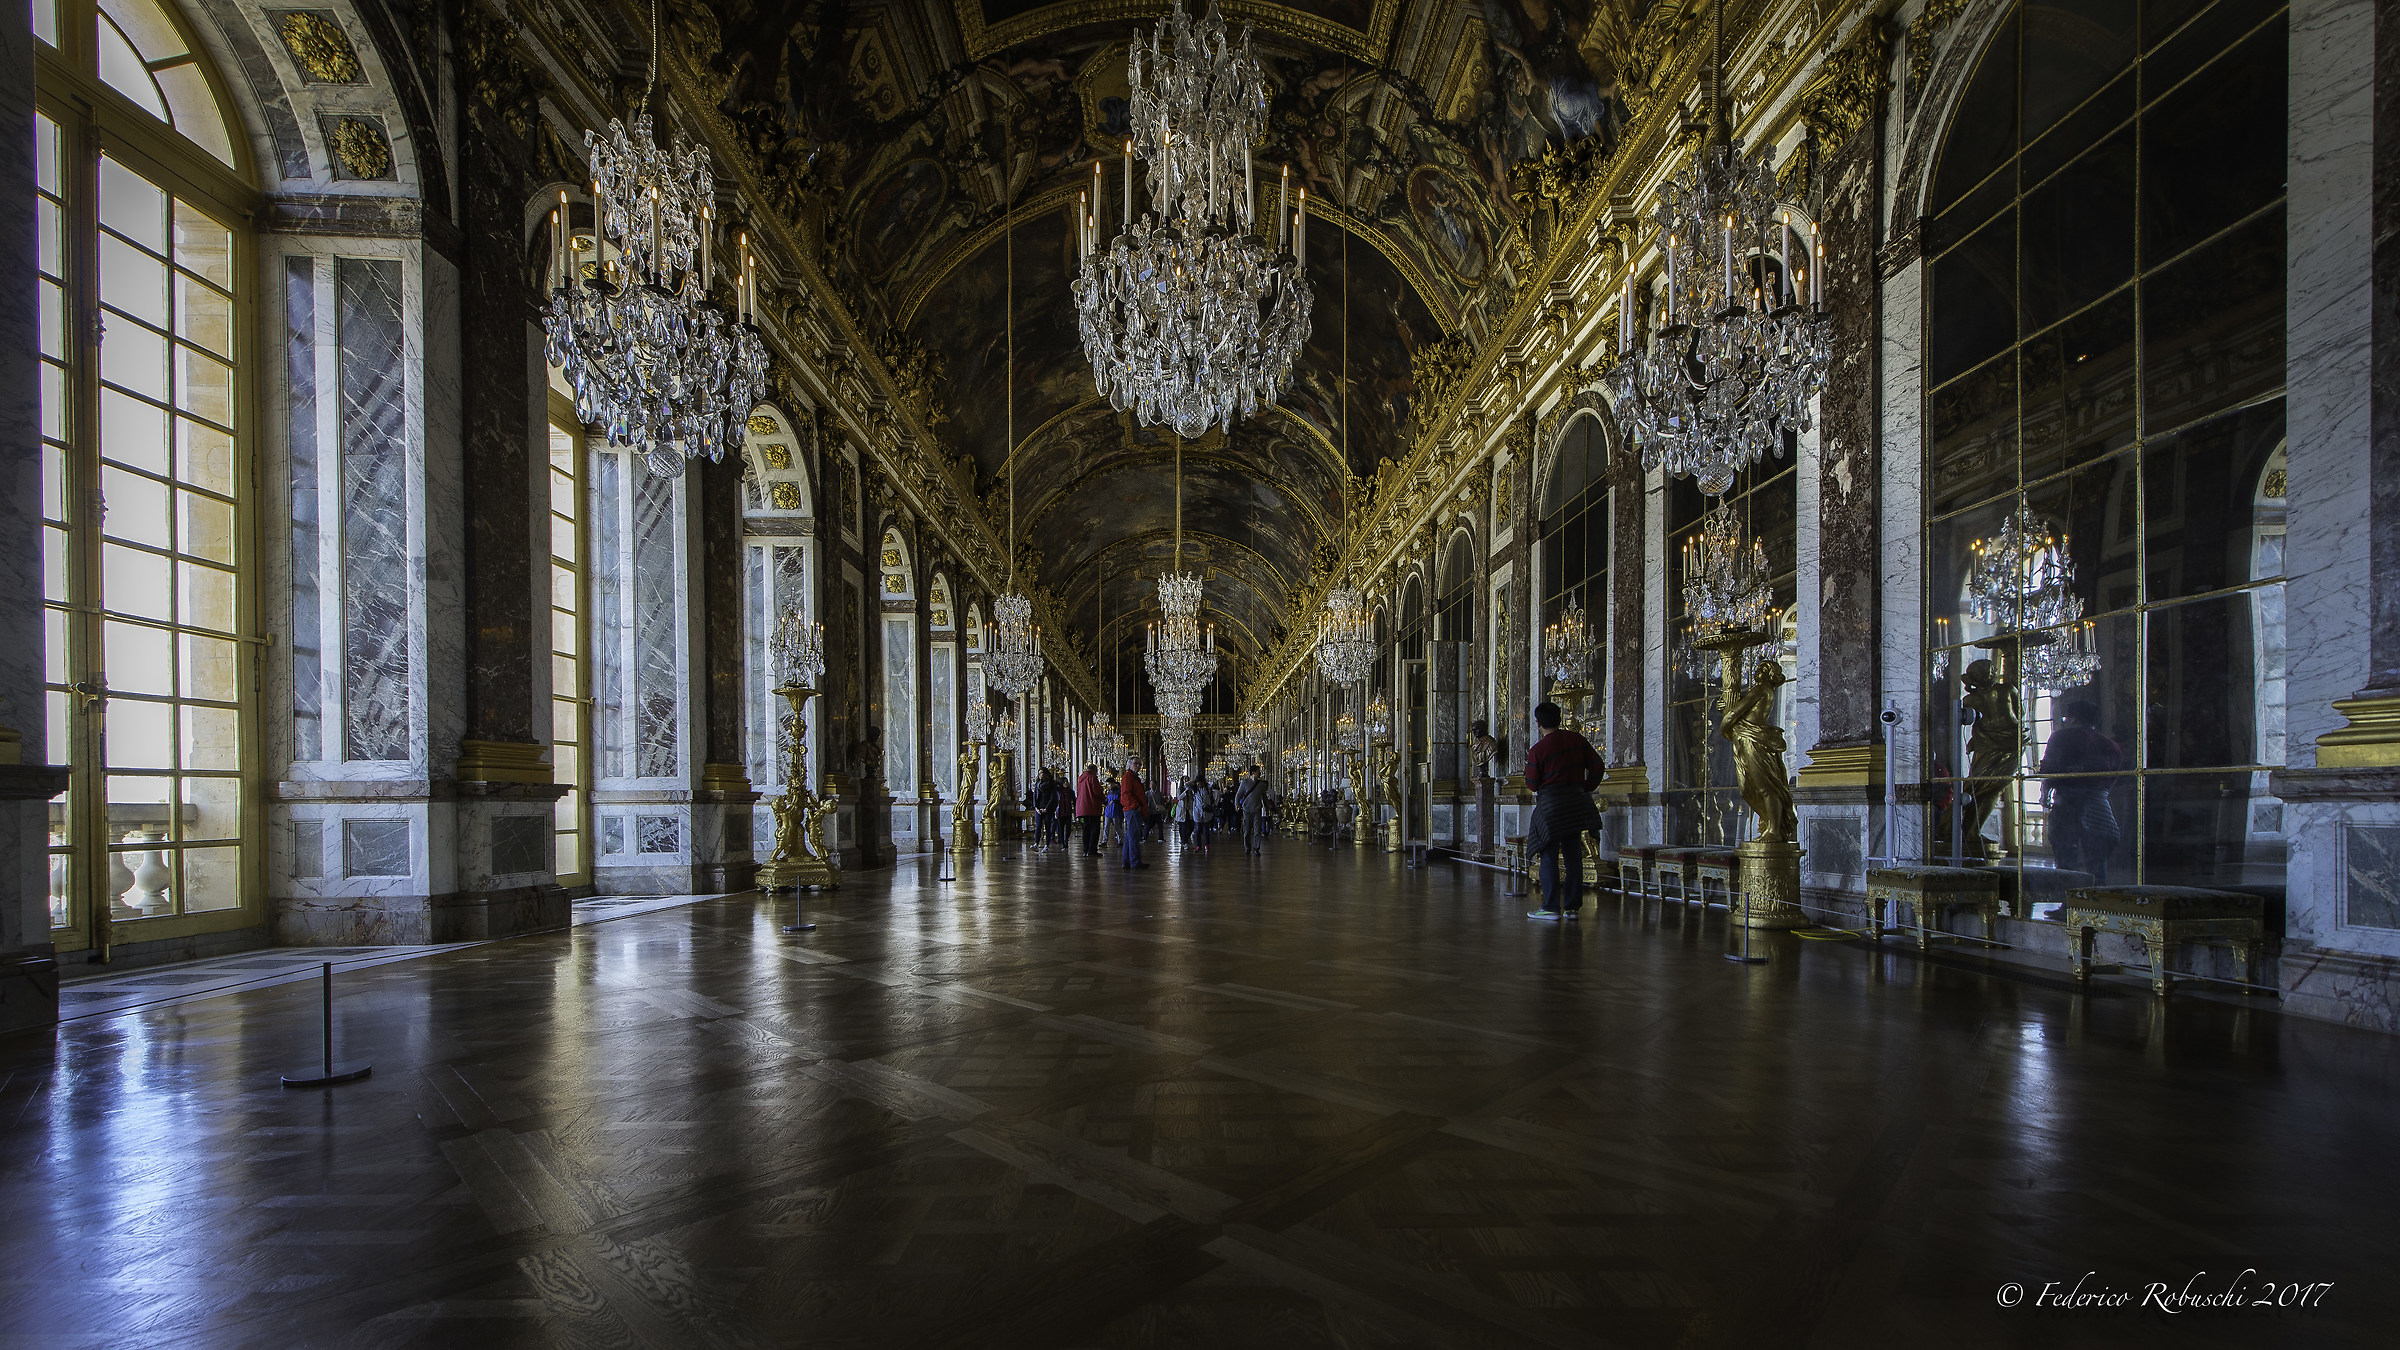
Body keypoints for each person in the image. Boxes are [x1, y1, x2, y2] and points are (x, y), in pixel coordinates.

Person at [1522, 700, 1604, 921]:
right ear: (1559, 718)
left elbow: (1531, 783)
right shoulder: (1577, 740)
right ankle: (1572, 908)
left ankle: (1550, 907)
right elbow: (1598, 767)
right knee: (1573, 855)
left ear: (1538, 723)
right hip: (1576, 802)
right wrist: (1586, 787)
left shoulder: (1538, 750)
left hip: (1551, 805)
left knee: (1548, 855)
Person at [2040, 699, 2122, 881]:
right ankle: (2097, 903)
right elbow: (2112, 779)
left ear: (2073, 718)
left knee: (2065, 858)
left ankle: (2067, 904)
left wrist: (2044, 793)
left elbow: (2049, 770)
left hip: (2067, 804)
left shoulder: (2061, 737)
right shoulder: (2111, 745)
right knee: (2097, 861)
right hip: (2099, 806)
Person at [1119, 763, 1150, 869]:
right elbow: (1126, 793)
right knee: (1134, 836)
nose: (1138, 766)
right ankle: (1135, 861)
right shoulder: (1128, 776)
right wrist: (1136, 805)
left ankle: (1126, 861)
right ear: (1129, 765)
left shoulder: (1133, 777)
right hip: (1132, 809)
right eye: (1135, 763)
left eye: (1140, 764)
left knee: (1129, 836)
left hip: (1133, 809)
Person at [1237, 765, 1269, 854]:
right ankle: (1247, 847)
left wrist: (1267, 808)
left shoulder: (1261, 784)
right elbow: (1238, 794)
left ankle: (1256, 848)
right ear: (1253, 772)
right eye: (1259, 771)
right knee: (1246, 831)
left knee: (1257, 830)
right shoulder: (1244, 783)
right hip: (1246, 810)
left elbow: (1264, 797)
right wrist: (1237, 804)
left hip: (1257, 810)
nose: (1260, 773)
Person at [1075, 763, 1103, 856]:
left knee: (1085, 829)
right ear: (1094, 771)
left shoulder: (1080, 778)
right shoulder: (1092, 777)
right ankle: (1092, 851)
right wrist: (1104, 799)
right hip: (1092, 808)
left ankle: (1085, 850)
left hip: (1082, 810)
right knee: (1094, 830)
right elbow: (1097, 791)